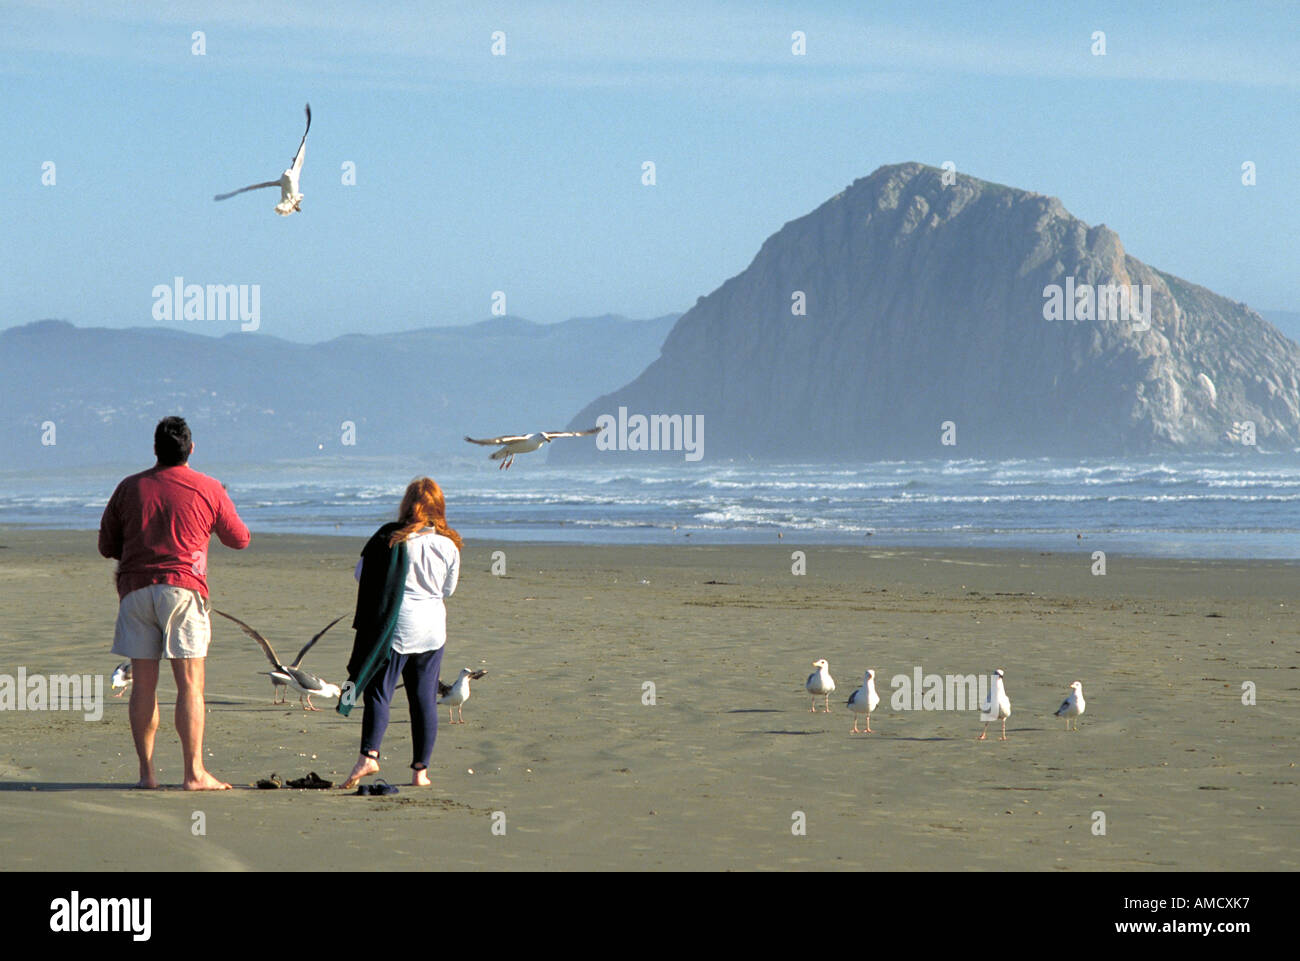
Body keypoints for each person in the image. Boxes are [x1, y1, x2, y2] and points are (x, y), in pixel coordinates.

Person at [98, 416, 250, 790]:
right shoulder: (208, 487)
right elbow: (240, 538)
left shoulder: (128, 488)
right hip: (182, 589)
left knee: (143, 687)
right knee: (190, 686)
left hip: (135, 590)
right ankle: (193, 773)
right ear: (191, 449)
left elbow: (106, 546)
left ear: (155, 450)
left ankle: (147, 774)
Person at [340, 477, 461, 789]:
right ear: (439, 507)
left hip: (394, 628)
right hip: (433, 630)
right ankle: (420, 772)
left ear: (407, 505)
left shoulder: (389, 539)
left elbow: (360, 575)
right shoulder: (448, 546)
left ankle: (369, 755)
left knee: (380, 692)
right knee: (423, 699)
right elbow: (448, 590)